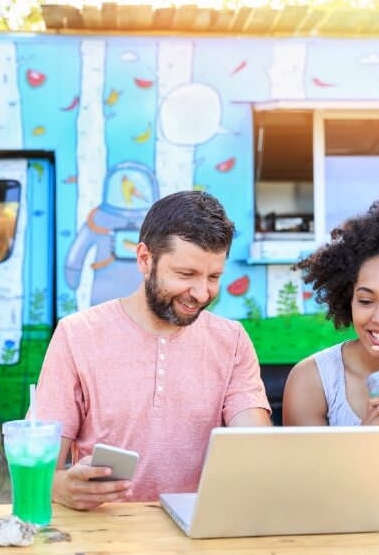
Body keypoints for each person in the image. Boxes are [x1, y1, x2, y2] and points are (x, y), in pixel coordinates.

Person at [34, 190, 272, 510]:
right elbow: (38, 466)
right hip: (102, 540)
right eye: (186, 274)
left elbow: (255, 446)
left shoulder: (232, 341)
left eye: (213, 277)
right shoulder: (77, 335)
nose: (201, 293)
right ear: (145, 258)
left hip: (200, 533)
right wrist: (58, 486)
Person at [282, 197, 379, 493]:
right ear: (349, 298)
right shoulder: (313, 380)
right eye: (366, 301)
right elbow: (302, 490)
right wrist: (362, 443)